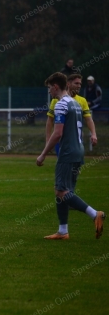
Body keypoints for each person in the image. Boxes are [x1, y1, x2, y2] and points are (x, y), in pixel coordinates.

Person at [36, 72, 104, 240]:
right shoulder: (75, 103)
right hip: (78, 150)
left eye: (50, 88)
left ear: (56, 86)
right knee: (65, 191)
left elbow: (57, 133)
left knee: (60, 190)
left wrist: (44, 153)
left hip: (68, 152)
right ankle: (63, 231)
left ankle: (95, 214)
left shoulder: (60, 104)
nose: (49, 91)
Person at [46, 73, 98, 150]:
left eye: (80, 84)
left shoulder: (82, 101)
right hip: (60, 138)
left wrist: (93, 134)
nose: (79, 86)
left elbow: (89, 119)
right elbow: (50, 120)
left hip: (76, 140)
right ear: (68, 84)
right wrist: (48, 140)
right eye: (76, 83)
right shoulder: (56, 100)